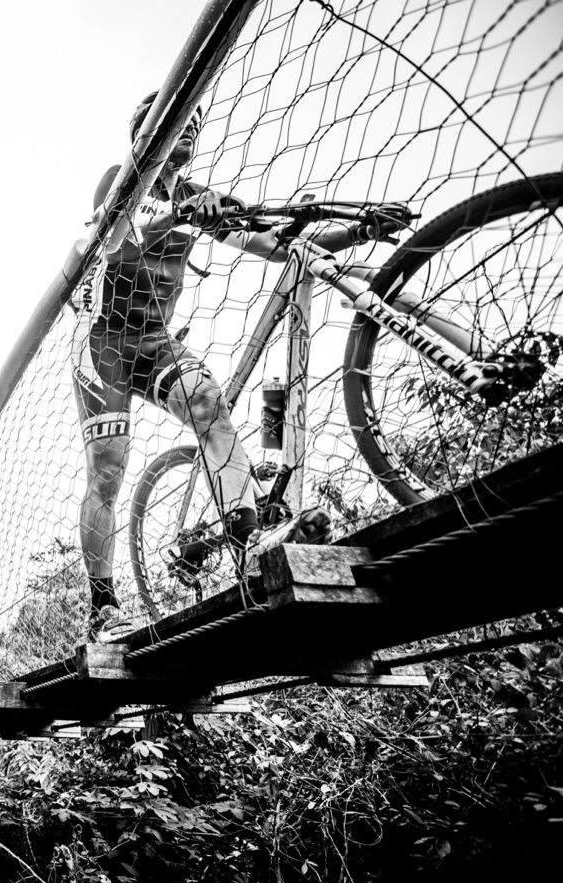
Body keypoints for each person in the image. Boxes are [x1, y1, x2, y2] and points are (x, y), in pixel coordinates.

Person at [74, 91, 409, 643]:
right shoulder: (121, 180)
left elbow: (280, 245)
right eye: (176, 116)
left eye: (195, 119)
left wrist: (359, 231)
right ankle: (104, 607)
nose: (189, 125)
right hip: (103, 342)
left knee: (210, 405)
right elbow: (115, 237)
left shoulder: (196, 197)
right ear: (146, 130)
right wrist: (182, 213)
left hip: (154, 339)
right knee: (108, 469)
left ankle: (249, 544)